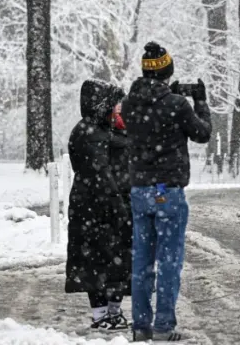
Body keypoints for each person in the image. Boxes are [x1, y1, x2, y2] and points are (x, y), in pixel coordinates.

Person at [120, 42, 211, 342]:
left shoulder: (130, 104)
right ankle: (163, 327)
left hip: (139, 191)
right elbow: (202, 133)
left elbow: (143, 119)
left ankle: (140, 326)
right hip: (168, 192)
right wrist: (200, 102)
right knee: (169, 261)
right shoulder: (176, 105)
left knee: (141, 262)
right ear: (168, 72)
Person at [65, 80, 131, 331]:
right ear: (101, 105)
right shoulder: (88, 133)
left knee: (114, 261)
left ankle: (113, 313)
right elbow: (100, 176)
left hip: (105, 209)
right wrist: (119, 208)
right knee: (97, 262)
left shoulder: (105, 131)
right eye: (115, 104)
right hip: (95, 209)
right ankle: (101, 315)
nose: (118, 109)